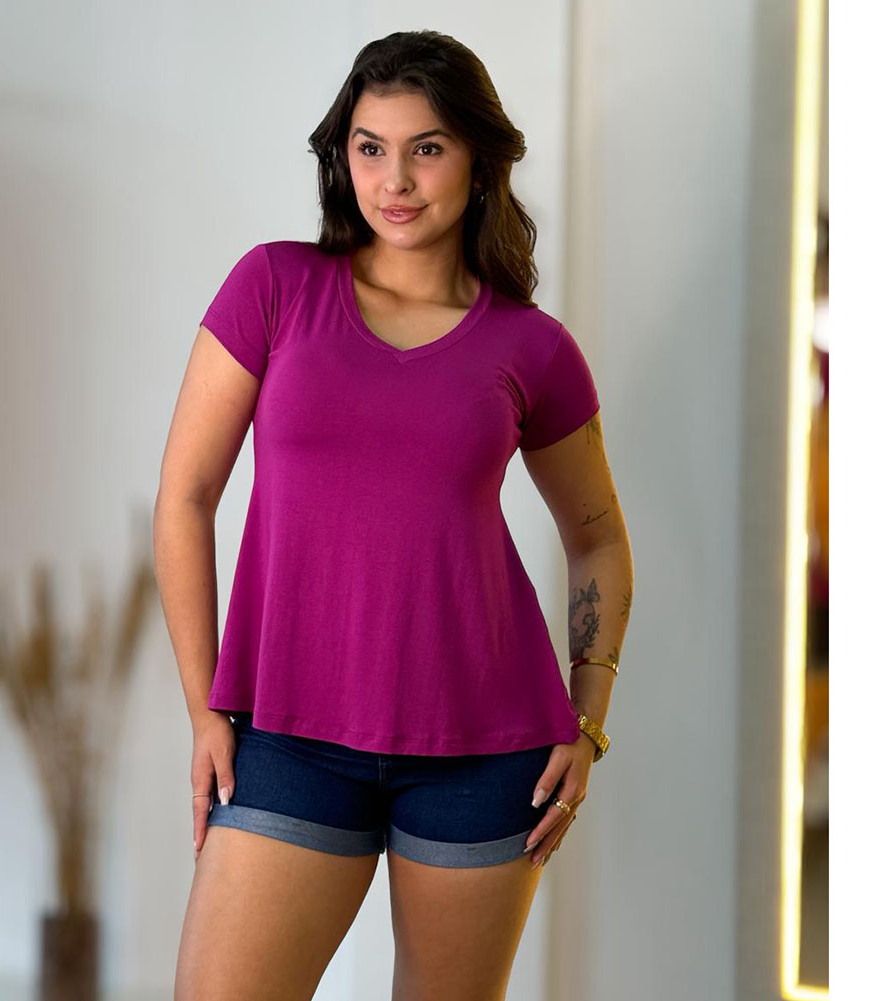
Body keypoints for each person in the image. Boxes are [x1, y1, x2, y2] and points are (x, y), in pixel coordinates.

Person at [155, 29, 634, 1001]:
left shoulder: (532, 347)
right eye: (370, 147)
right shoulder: (275, 288)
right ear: (343, 156)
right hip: (286, 735)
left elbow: (597, 540)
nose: (395, 179)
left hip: (485, 752)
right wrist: (205, 708)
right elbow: (185, 498)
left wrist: (588, 718)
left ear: (478, 160)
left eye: (427, 148)